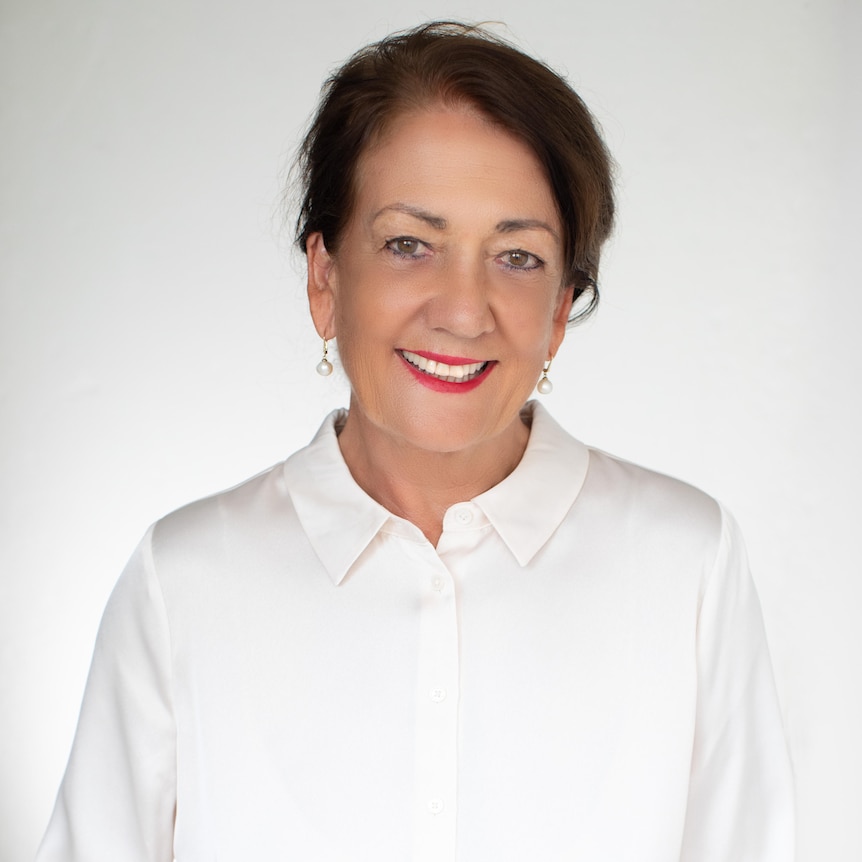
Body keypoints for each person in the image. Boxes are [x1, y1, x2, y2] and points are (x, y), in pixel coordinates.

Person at [36, 21, 794, 862]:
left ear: (559, 312)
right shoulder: (184, 580)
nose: (463, 310)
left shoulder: (686, 561)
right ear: (325, 279)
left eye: (516, 256)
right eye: (409, 245)